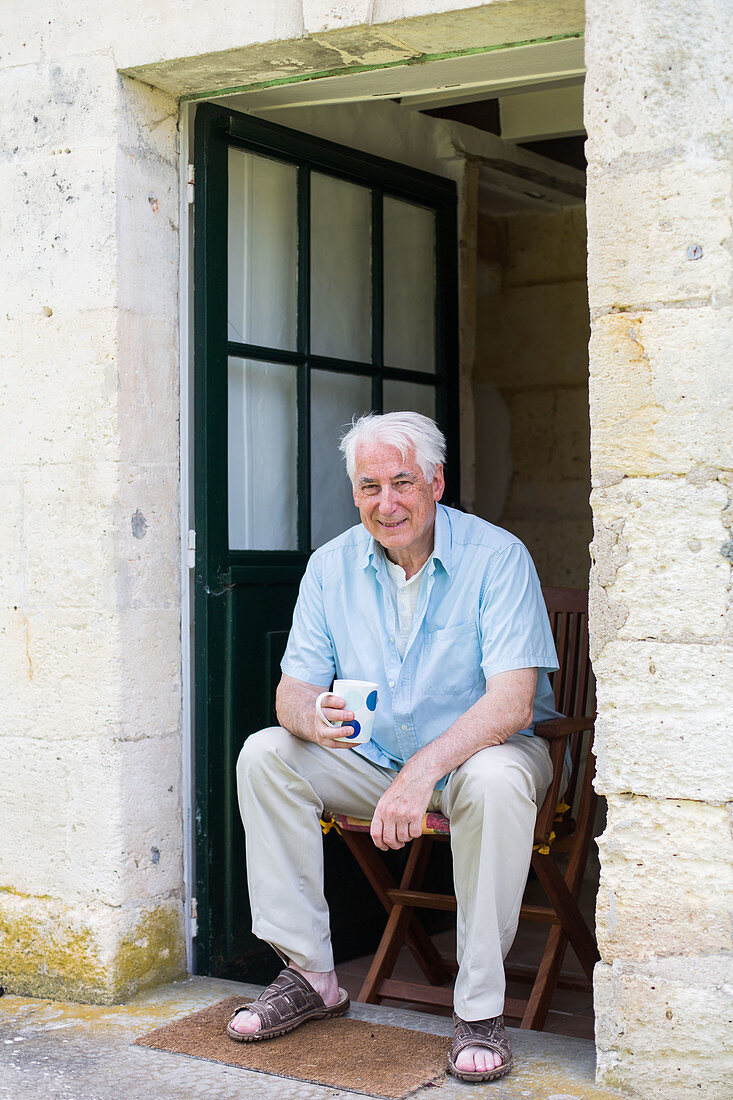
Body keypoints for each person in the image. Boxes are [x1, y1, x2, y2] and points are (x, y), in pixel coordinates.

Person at [228, 411, 560, 1083]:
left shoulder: (496, 557)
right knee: (265, 753)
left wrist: (423, 771)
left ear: (436, 482)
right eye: (369, 486)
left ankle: (479, 1011)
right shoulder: (329, 566)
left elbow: (511, 702)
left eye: (402, 482)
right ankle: (310, 975)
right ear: (354, 493)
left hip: (484, 758)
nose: (387, 503)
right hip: (376, 762)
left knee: (494, 779)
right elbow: (291, 691)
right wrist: (310, 717)